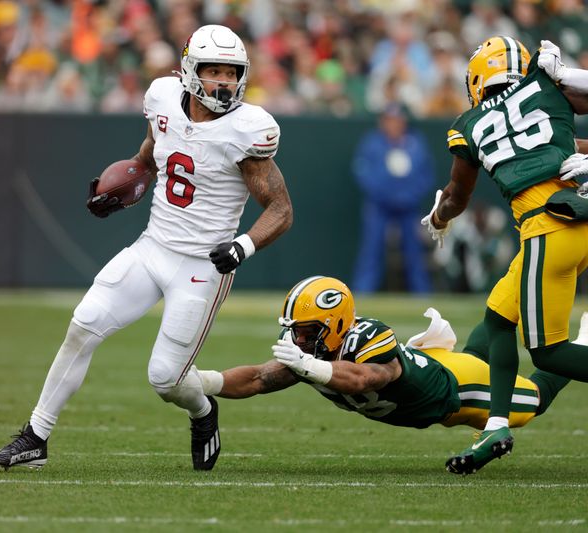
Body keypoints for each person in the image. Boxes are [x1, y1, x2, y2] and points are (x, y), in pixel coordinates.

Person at [0, 25, 293, 471]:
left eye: (231, 72)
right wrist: (124, 190)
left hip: (202, 267)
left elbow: (281, 209)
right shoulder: (163, 99)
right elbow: (150, 155)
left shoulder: (247, 131)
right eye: (214, 71)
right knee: (83, 324)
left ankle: (203, 410)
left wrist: (242, 246)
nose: (223, 82)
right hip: (153, 247)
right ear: (189, 71)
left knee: (165, 379)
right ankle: (35, 437)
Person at [421, 37, 588, 474]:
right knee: (497, 318)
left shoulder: (469, 124)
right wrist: (564, 77)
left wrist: (439, 217)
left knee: (549, 353)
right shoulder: (546, 87)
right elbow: (564, 143)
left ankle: (497, 422)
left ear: (477, 80)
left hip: (550, 229)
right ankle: (496, 425)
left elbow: (459, 195)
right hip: (576, 214)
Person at [195, 276, 579, 445]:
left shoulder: (368, 336)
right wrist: (204, 382)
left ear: (337, 322)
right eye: (295, 331)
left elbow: (366, 379)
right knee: (484, 345)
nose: (299, 340)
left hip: (460, 391)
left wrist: (308, 366)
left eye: (308, 331)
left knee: (534, 401)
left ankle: (581, 339)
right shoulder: (309, 347)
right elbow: (260, 379)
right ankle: (509, 298)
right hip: (438, 376)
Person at [351, 103, 434, 294]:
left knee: (414, 251)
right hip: (379, 205)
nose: (393, 125)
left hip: (409, 206)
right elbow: (362, 172)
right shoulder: (372, 142)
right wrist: (385, 194)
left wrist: (409, 196)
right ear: (383, 122)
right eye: (389, 120)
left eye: (397, 120)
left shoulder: (416, 142)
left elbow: (426, 174)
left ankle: (422, 293)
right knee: (371, 250)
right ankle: (363, 292)